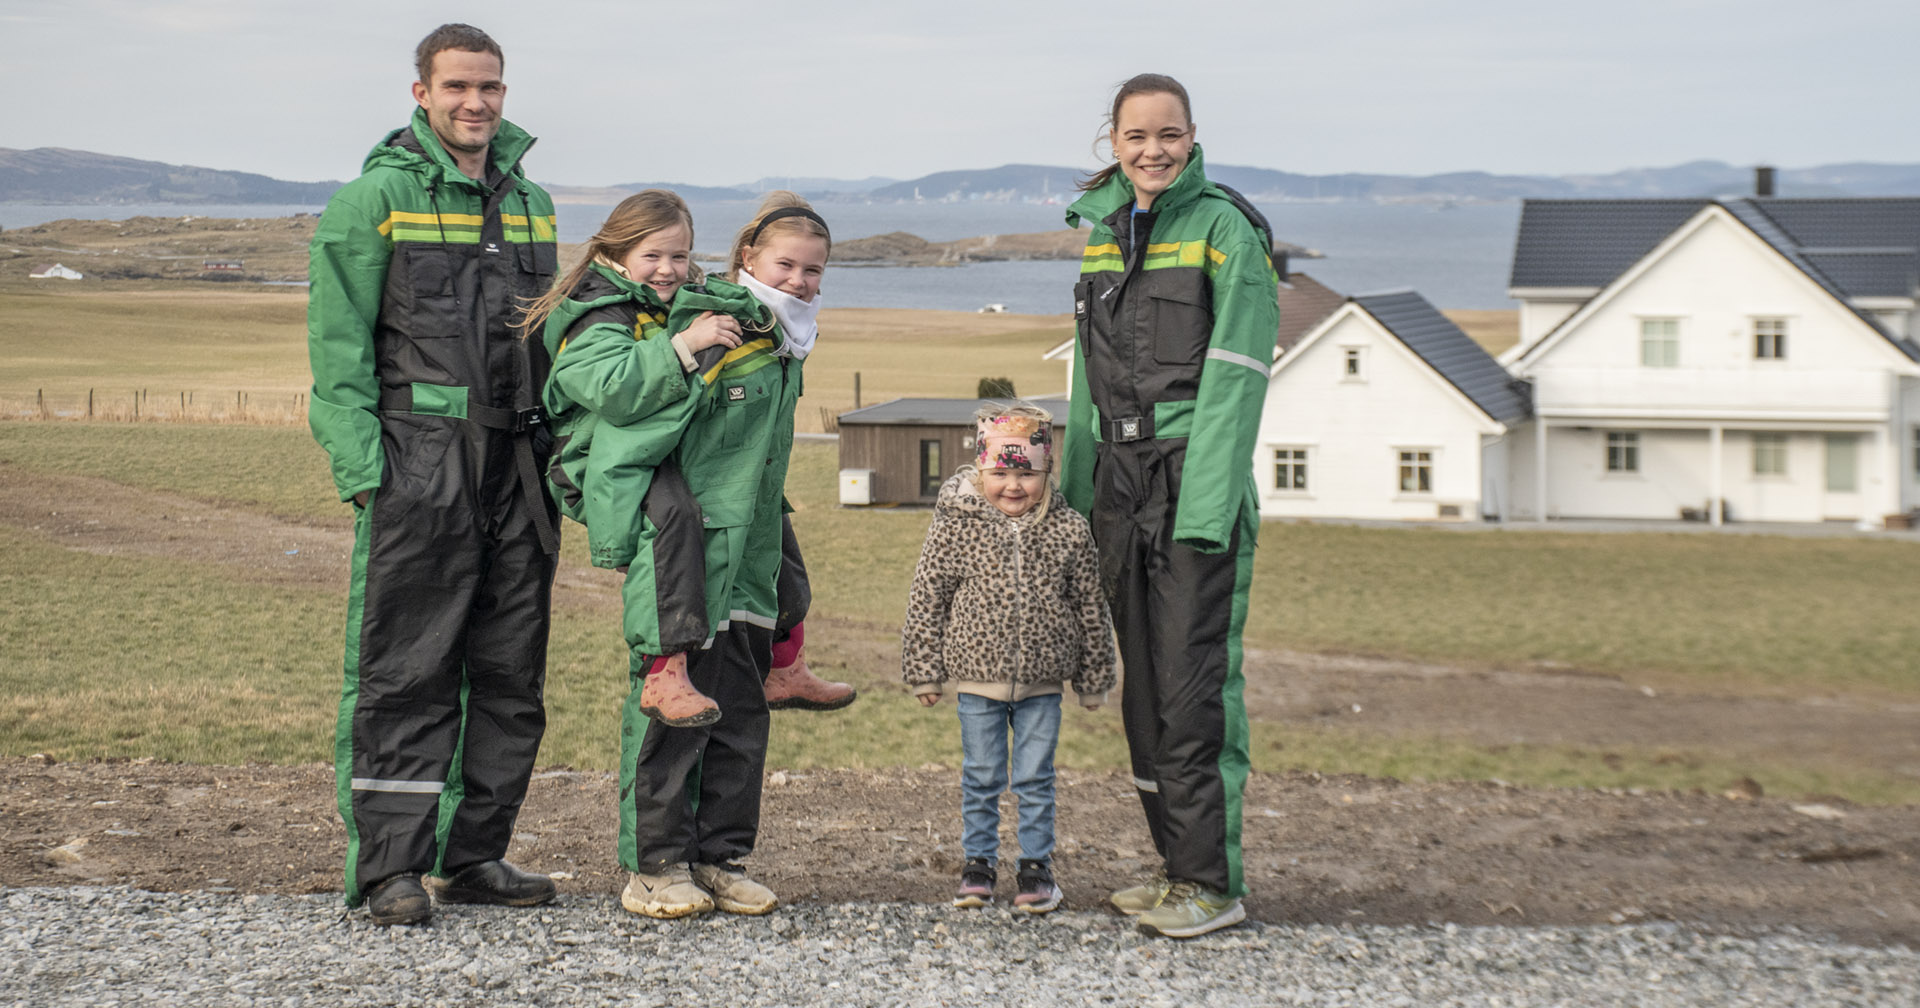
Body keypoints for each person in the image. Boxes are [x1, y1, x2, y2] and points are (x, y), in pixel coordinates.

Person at [306, 23, 561, 926]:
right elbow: (337, 351)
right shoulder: (372, 200)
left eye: (489, 86)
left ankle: (475, 854)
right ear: (422, 93)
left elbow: (554, 341)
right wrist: (365, 471)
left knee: (510, 672)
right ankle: (390, 868)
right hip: (421, 462)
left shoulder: (533, 203)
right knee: (407, 668)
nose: (475, 102)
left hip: (520, 467)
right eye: (457, 86)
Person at [529, 191, 818, 918]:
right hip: (674, 528)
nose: (668, 268)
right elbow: (613, 400)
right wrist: (686, 346)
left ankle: (721, 858)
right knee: (668, 709)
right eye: (652, 254)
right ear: (613, 253)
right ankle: (654, 867)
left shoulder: (713, 318)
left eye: (680, 255)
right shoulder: (608, 317)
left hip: (736, 533)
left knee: (739, 705)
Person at [1058, 73, 1280, 938]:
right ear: (1112, 142)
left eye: (1169, 134)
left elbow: (1237, 378)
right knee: (1144, 691)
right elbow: (1087, 383)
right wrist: (1077, 505)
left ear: (1192, 137)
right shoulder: (1102, 237)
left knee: (1191, 688)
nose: (1153, 150)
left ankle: (1212, 883)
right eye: (1137, 136)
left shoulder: (1226, 230)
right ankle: (1175, 869)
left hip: (1192, 478)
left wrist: (1206, 506)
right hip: (1117, 480)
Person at [901, 404, 1117, 914]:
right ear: (982, 470)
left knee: (1036, 778)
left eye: (1027, 474)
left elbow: (1090, 604)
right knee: (981, 774)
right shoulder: (957, 526)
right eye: (1000, 473)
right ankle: (978, 866)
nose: (1014, 486)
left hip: (1043, 684)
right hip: (977, 681)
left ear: (1047, 471)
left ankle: (1036, 870)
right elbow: (928, 596)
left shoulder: (1068, 529)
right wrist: (924, 671)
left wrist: (1094, 678)